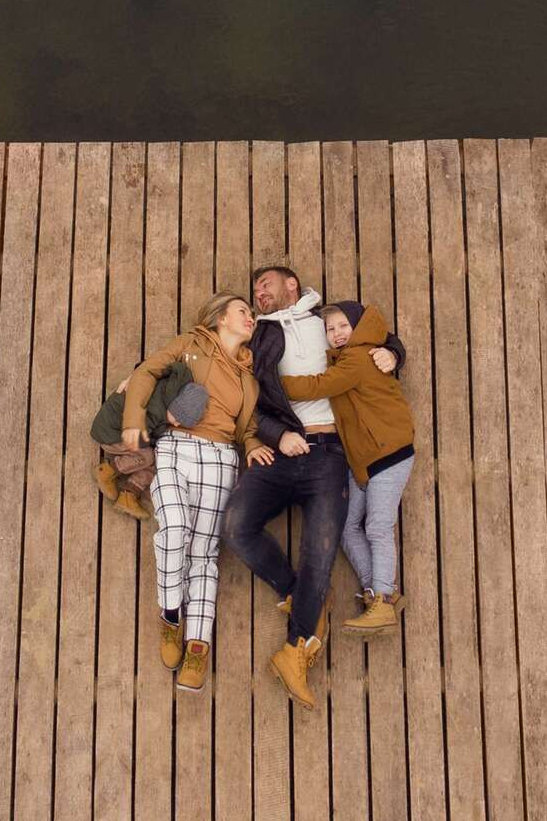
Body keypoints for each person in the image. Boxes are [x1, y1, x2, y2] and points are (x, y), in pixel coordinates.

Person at [227, 262, 403, 709]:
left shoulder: (327, 326)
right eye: (254, 290)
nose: (258, 293)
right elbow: (249, 399)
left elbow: (370, 338)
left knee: (320, 551)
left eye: (265, 284)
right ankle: (301, 596)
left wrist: (394, 351)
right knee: (236, 527)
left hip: (331, 455)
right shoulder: (260, 337)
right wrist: (275, 435)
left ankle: (294, 652)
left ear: (291, 284)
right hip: (281, 450)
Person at [119, 292, 274, 692]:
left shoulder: (250, 374)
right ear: (221, 318)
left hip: (221, 458)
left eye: (252, 313)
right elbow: (147, 372)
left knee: (203, 555)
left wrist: (253, 444)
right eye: (243, 311)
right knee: (173, 529)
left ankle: (197, 647)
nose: (251, 317)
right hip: (176, 447)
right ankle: (171, 617)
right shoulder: (190, 343)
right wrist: (134, 419)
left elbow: (248, 427)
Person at [280, 302, 415, 635]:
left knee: (378, 527)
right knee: (347, 527)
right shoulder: (345, 358)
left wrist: (274, 383)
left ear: (358, 328)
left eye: (343, 326)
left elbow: (317, 386)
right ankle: (378, 592)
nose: (337, 334)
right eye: (330, 329)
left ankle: (382, 599)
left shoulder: (358, 358)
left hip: (389, 453)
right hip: (364, 459)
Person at [90, 375, 210, 520]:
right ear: (176, 407)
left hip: (119, 430)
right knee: (147, 456)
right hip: (109, 434)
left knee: (159, 457)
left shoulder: (168, 393)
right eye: (178, 419)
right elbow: (142, 437)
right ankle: (107, 471)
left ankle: (129, 495)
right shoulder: (154, 413)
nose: (177, 424)